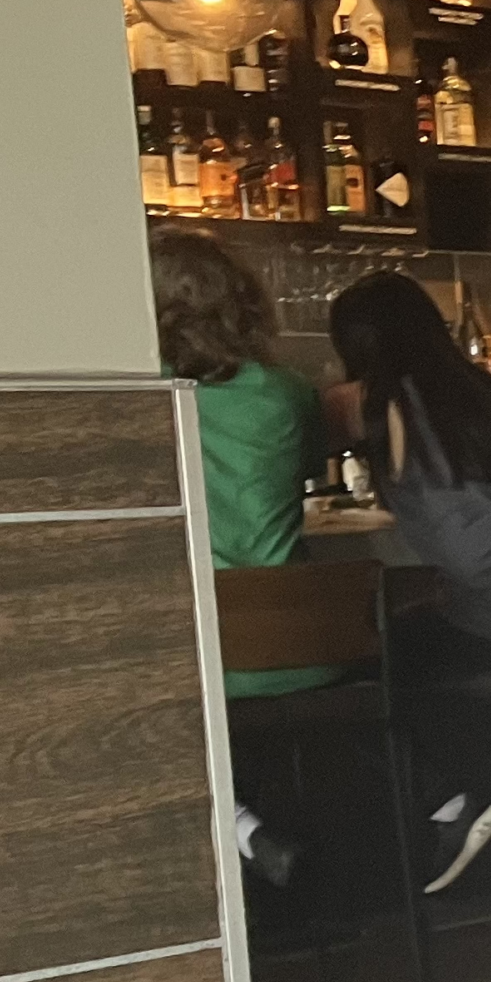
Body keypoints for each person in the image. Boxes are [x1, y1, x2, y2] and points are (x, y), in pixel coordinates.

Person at [327, 270, 491, 890]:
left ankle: (465, 800)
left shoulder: (381, 400)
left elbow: (299, 428)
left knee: (365, 662)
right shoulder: (482, 389)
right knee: (429, 633)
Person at [149, 225, 332, 885]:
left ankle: (240, 826)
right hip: (307, 643)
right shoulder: (286, 392)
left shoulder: (146, 398)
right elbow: (311, 473)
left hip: (207, 659)